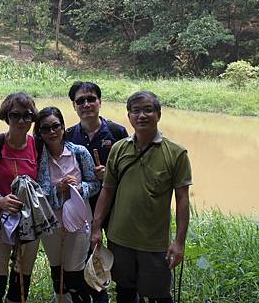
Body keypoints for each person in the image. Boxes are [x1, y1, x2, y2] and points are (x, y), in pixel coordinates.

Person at [90, 91, 192, 303]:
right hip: (120, 240)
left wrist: (179, 242)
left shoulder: (176, 153)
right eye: (136, 111)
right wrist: (96, 227)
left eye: (148, 110)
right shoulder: (119, 149)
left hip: (154, 244)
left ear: (158, 114)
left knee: (159, 295)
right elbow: (107, 190)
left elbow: (182, 199)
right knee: (125, 292)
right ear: (129, 116)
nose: (142, 116)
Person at [0, 92, 49, 303]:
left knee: (21, 283)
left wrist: (31, 197)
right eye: (15, 115)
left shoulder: (38, 146)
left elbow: (45, 185)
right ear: (6, 117)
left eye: (27, 116)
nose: (21, 121)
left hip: (29, 223)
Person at [64, 81, 128, 303]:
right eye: (80, 101)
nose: (86, 104)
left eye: (91, 99)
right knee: (88, 259)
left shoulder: (118, 132)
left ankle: (126, 295)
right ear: (74, 106)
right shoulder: (69, 135)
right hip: (82, 209)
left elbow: (130, 173)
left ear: (100, 102)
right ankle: (94, 297)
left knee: (119, 258)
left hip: (115, 208)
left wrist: (111, 176)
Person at [34, 107, 100, 303]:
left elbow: (95, 184)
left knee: (74, 273)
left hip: (79, 223)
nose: (51, 132)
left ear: (63, 127)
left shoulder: (79, 153)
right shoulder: (37, 158)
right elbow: (37, 193)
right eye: (45, 129)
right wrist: (58, 190)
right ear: (39, 132)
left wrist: (78, 189)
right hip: (50, 224)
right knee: (57, 273)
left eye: (55, 126)